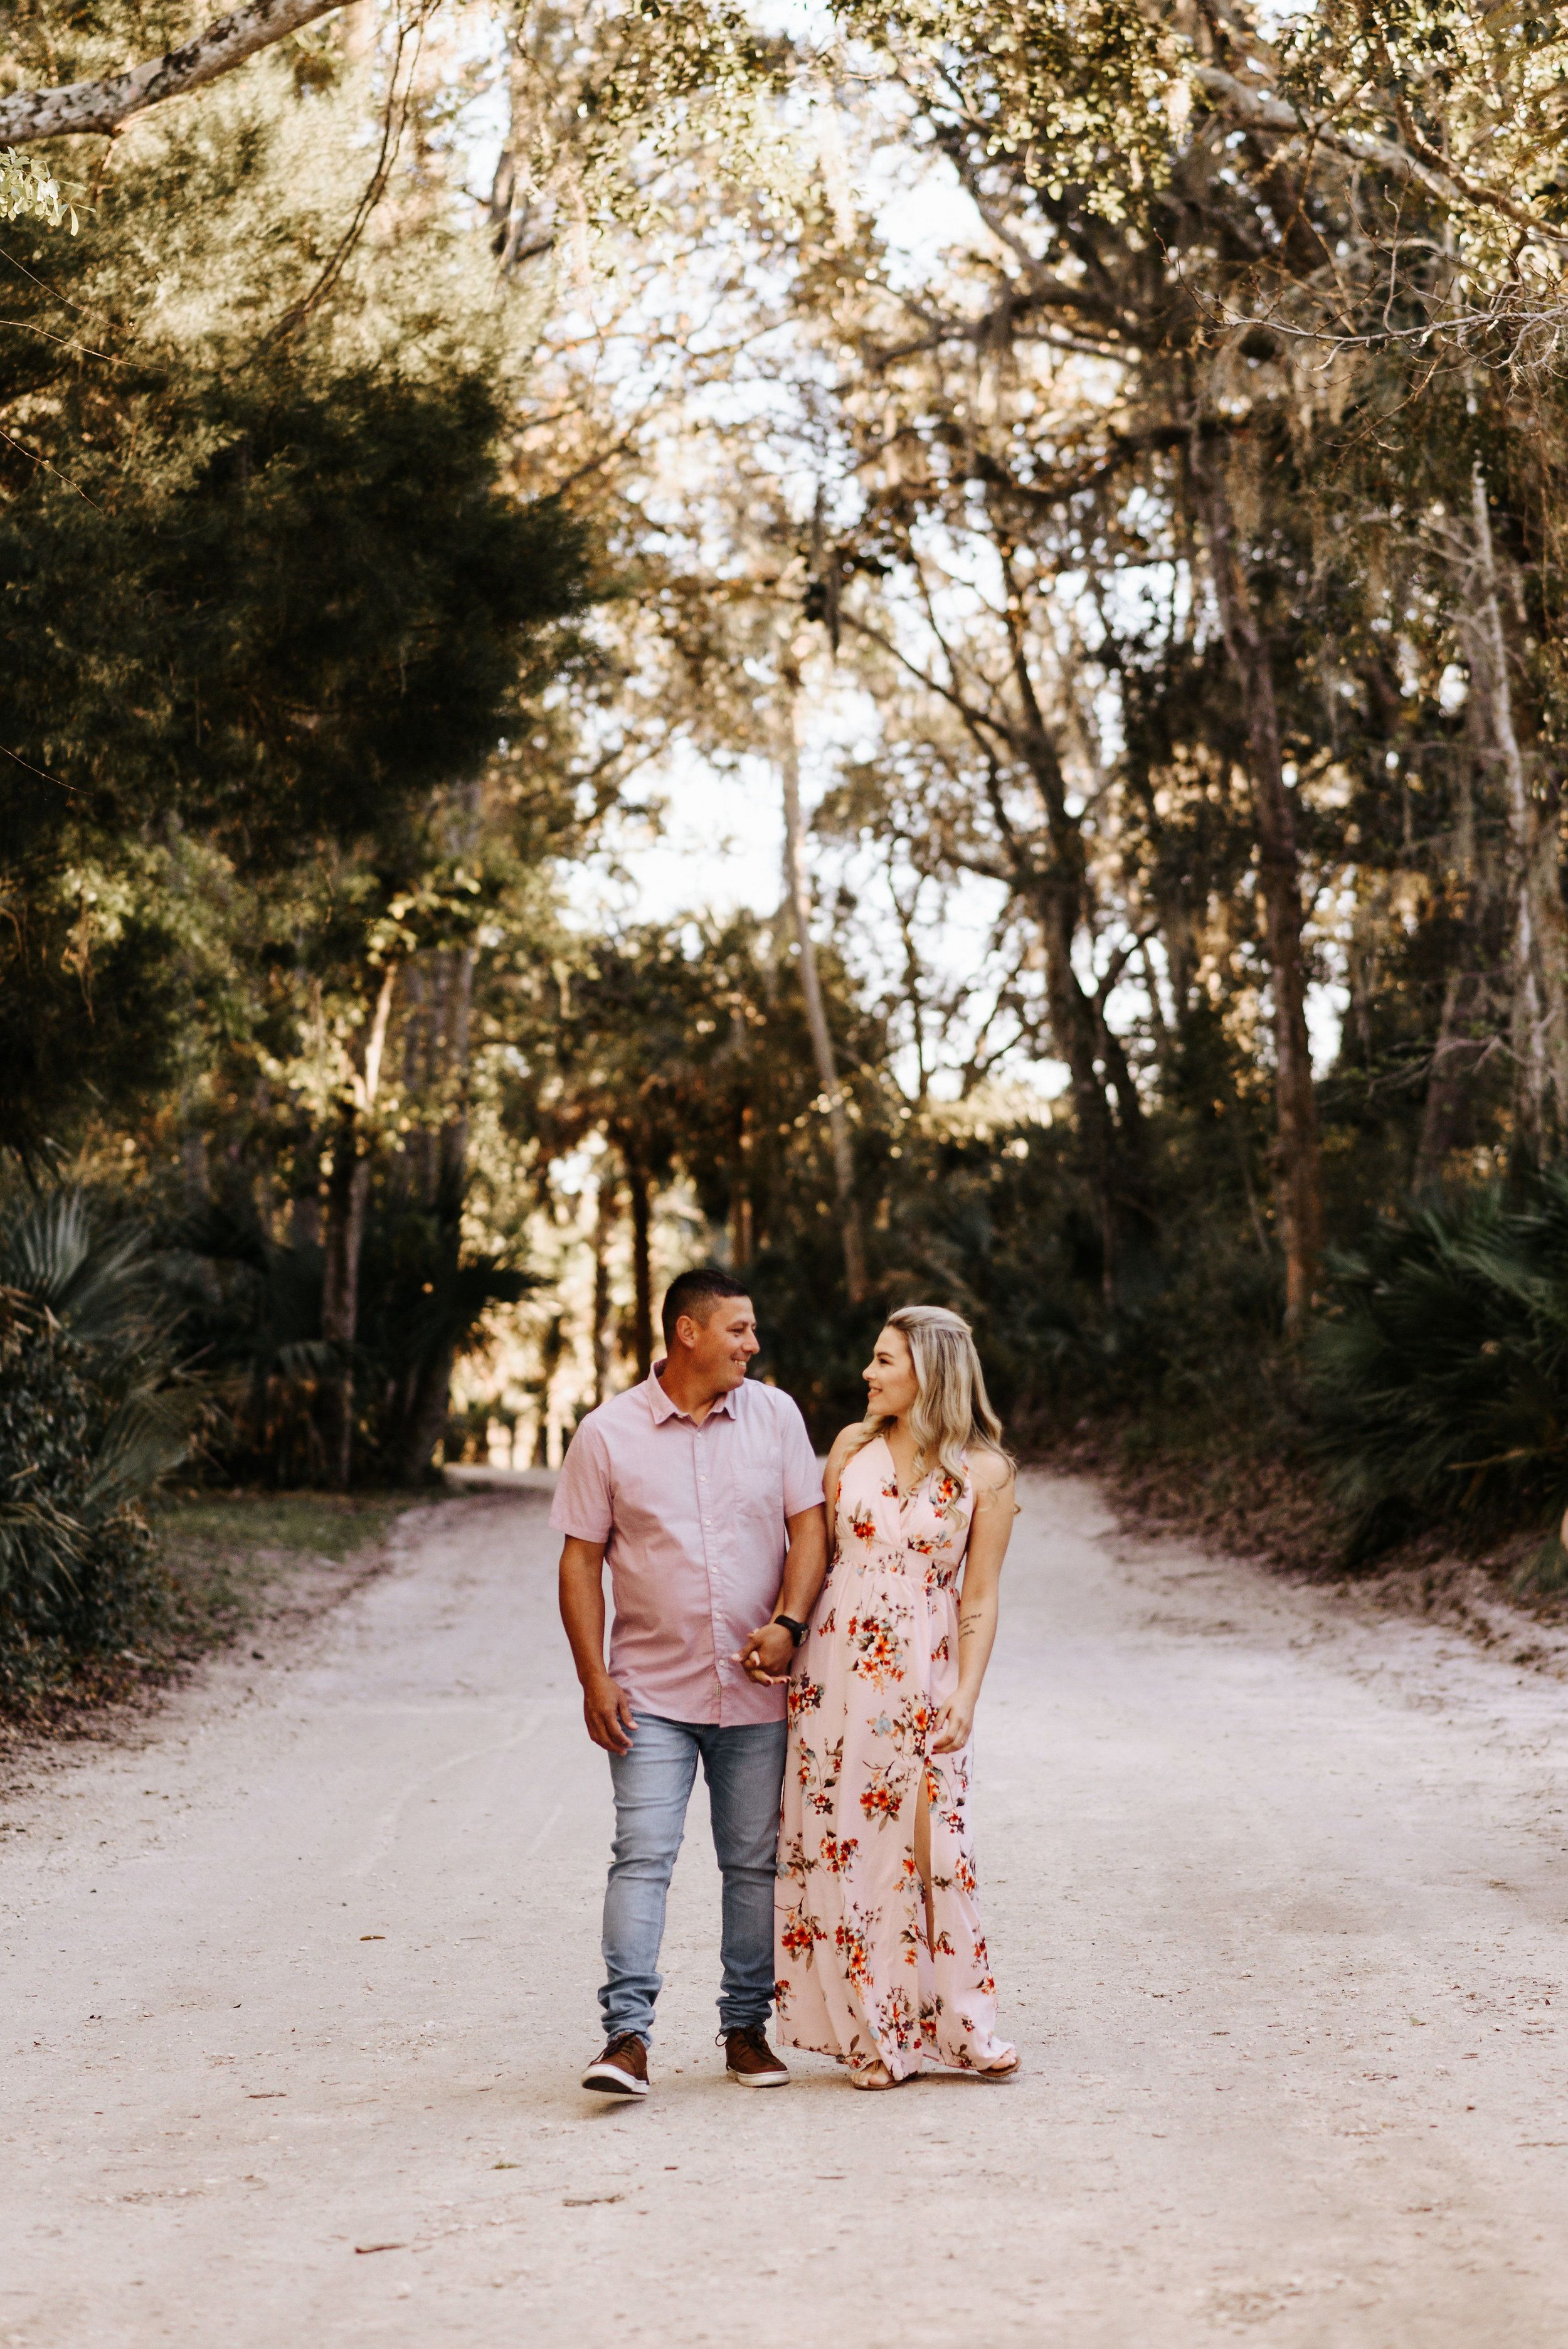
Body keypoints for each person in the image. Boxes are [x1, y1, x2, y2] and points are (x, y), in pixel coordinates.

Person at [553, 1268, 828, 2097]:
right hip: (652, 1694)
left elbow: (808, 1530)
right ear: (688, 1333)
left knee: (752, 1863)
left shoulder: (776, 1417)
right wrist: (593, 1675)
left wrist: (788, 1625)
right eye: (739, 1329)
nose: (752, 1343)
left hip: (756, 1692)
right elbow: (580, 1560)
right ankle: (626, 2038)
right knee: (643, 1856)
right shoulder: (607, 1434)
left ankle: (747, 2031)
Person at [773, 1304, 1019, 2089]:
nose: (868, 1373)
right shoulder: (851, 1448)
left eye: (884, 1360)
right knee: (852, 1846)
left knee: (936, 1849)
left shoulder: (987, 1472)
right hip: (837, 1675)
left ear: (929, 1372)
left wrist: (968, 1692)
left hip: (925, 1671)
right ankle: (875, 2037)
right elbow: (810, 1556)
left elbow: (979, 1595)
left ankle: (966, 2029)